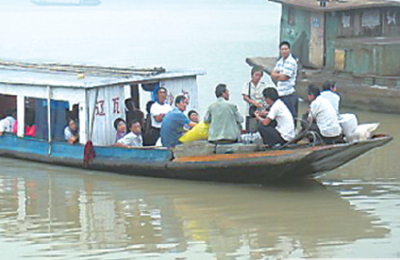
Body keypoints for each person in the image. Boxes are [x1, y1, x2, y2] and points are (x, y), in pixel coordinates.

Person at [271, 41, 298, 122]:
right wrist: (278, 75)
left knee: (290, 117)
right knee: (281, 117)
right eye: (282, 49)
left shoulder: (292, 62)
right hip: (280, 93)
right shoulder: (280, 61)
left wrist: (277, 76)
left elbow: (285, 77)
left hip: (288, 94)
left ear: (289, 50)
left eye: (286, 49)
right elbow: (272, 73)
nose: (284, 51)